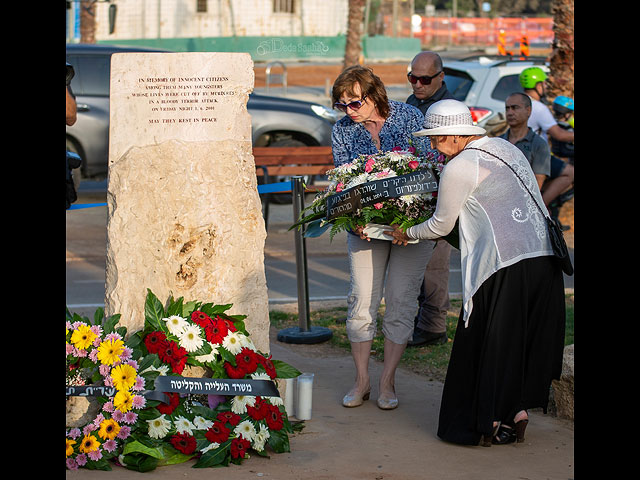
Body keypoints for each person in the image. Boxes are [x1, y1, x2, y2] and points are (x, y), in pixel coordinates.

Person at [384, 99, 566, 446]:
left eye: (437, 139)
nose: (434, 146)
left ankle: (488, 421)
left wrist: (406, 232)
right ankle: (516, 412)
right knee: (517, 340)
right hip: (543, 261)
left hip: (502, 265)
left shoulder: (459, 166)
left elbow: (440, 224)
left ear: (455, 135)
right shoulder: (505, 148)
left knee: (486, 343)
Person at [331, 65, 436, 410]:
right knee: (361, 301)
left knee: (401, 302)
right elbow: (345, 181)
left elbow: (431, 166)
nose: (349, 111)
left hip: (412, 228)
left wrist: (412, 222)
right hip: (365, 230)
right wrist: (354, 219)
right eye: (342, 105)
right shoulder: (343, 130)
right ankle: (361, 380)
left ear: (374, 95)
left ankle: (388, 380)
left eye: (355, 103)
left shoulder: (408, 116)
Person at [405, 51, 456, 348]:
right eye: (412, 78)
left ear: (440, 77)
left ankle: (434, 325)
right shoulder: (413, 102)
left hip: (440, 193)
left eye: (424, 79)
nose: (418, 84)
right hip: (415, 193)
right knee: (416, 266)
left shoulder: (448, 108)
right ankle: (418, 320)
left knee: (435, 266)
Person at [519, 67, 573, 209]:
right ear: (538, 85)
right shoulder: (538, 107)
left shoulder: (518, 102)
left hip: (520, 153)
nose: (545, 87)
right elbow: (559, 134)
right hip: (537, 155)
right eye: (543, 83)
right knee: (570, 173)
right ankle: (541, 208)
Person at [501, 92, 550, 191]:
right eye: (507, 108)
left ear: (528, 110)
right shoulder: (498, 142)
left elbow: (537, 186)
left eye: (515, 108)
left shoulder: (539, 145)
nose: (510, 112)